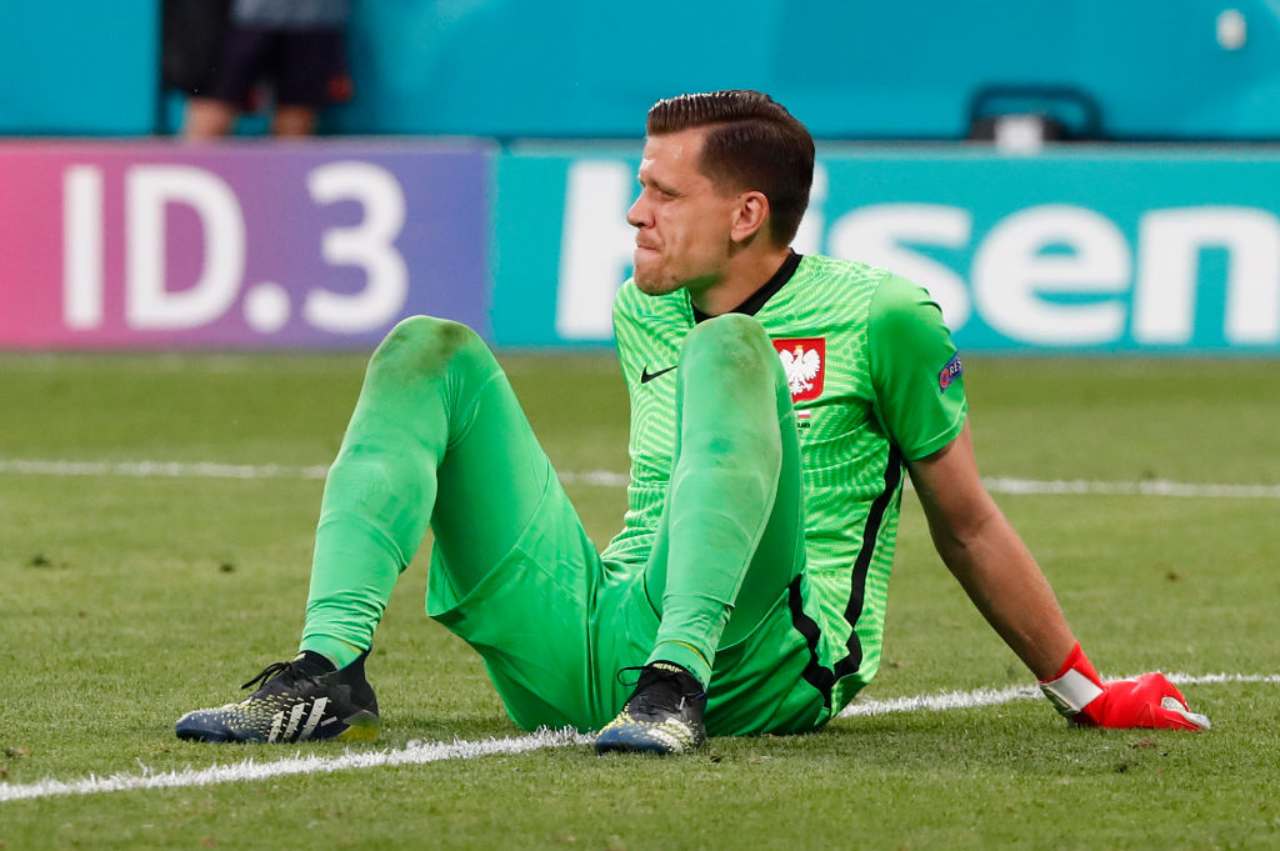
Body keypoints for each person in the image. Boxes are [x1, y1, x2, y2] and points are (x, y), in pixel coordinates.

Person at [175, 90, 1209, 752]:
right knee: (425, 347)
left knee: (729, 348)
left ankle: (678, 680)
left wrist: (1083, 687)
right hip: (601, 638)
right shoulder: (643, 306)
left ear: (747, 213)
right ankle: (326, 671)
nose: (636, 212)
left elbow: (967, 520)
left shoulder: (885, 316)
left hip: (768, 659)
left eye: (663, 193)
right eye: (640, 186)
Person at [182, 0, 352, 139]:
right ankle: (190, 170)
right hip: (236, 17)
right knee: (211, 115)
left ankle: (287, 173)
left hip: (315, 18)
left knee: (296, 123)